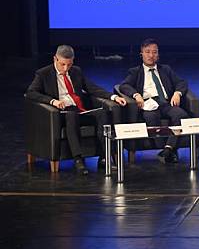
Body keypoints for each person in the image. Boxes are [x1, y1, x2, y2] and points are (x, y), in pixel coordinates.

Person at [26, 45, 127, 175]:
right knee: (71, 115)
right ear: (55, 59)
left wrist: (113, 97)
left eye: (69, 65)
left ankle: (103, 158)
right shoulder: (43, 74)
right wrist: (52, 101)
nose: (65, 68)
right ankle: (78, 160)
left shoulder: (76, 71)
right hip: (60, 113)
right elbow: (30, 93)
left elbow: (92, 88)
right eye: (62, 64)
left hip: (79, 110)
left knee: (102, 114)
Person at [118, 38, 191, 164]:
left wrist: (177, 93)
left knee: (181, 115)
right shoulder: (135, 71)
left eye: (154, 52)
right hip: (148, 104)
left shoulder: (165, 69)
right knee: (151, 117)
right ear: (141, 54)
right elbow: (124, 86)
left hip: (166, 103)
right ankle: (166, 150)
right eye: (148, 52)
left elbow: (181, 82)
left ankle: (167, 149)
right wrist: (136, 95)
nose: (151, 55)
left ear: (158, 54)